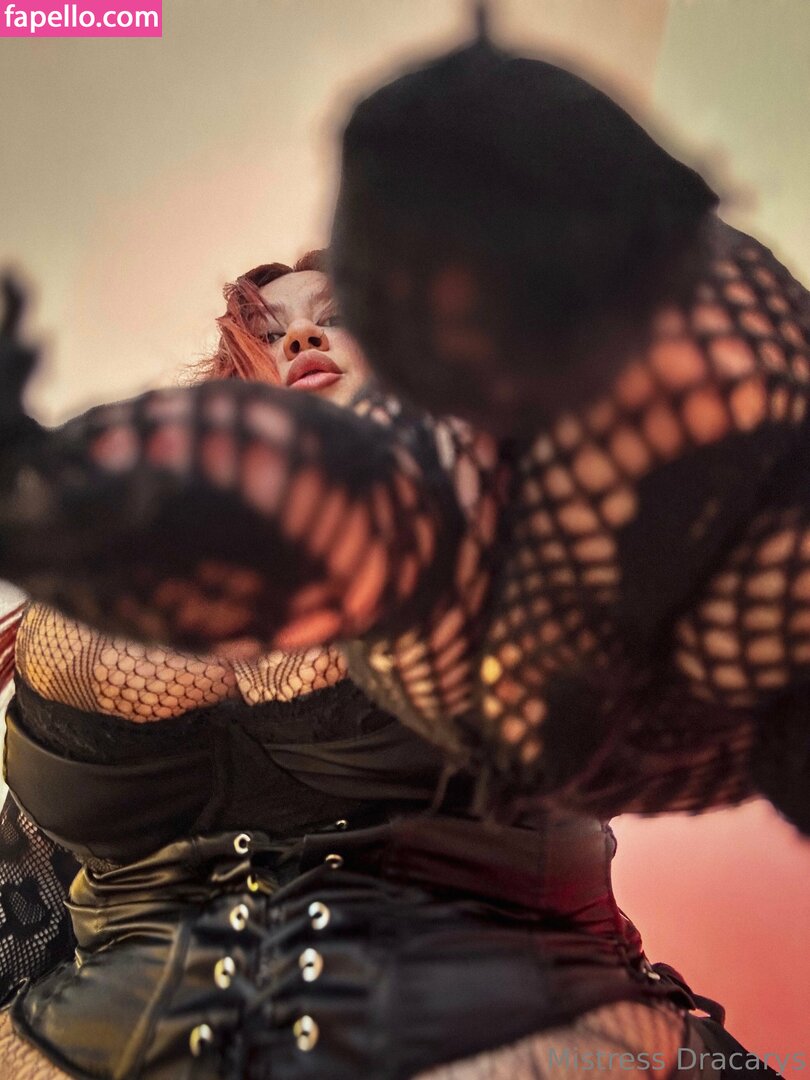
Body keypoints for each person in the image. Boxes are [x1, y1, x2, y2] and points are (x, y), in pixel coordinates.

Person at [0, 41, 792, 1080]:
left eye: (339, 320)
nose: (301, 342)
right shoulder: (110, 584)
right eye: (270, 333)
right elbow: (32, 895)